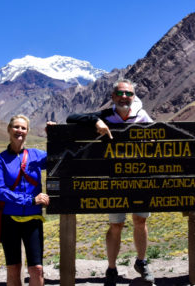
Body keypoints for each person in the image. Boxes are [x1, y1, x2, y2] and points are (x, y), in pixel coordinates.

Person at [66, 78, 154, 285]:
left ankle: (141, 261)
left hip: (140, 179)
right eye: (120, 93)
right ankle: (112, 268)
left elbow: (157, 135)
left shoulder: (142, 116)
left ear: (134, 97)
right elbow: (72, 117)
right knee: (117, 224)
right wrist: (95, 122)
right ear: (113, 97)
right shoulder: (105, 115)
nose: (125, 97)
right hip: (114, 182)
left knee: (140, 221)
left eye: (129, 94)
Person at [0, 115, 50, 286]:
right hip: (9, 219)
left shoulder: (36, 155)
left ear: (28, 132)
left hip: (33, 219)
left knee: (37, 269)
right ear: (9, 129)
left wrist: (52, 135)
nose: (20, 131)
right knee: (13, 268)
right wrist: (31, 200)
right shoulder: (0, 160)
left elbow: (59, 158)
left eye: (23, 128)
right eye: (16, 127)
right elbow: (0, 191)